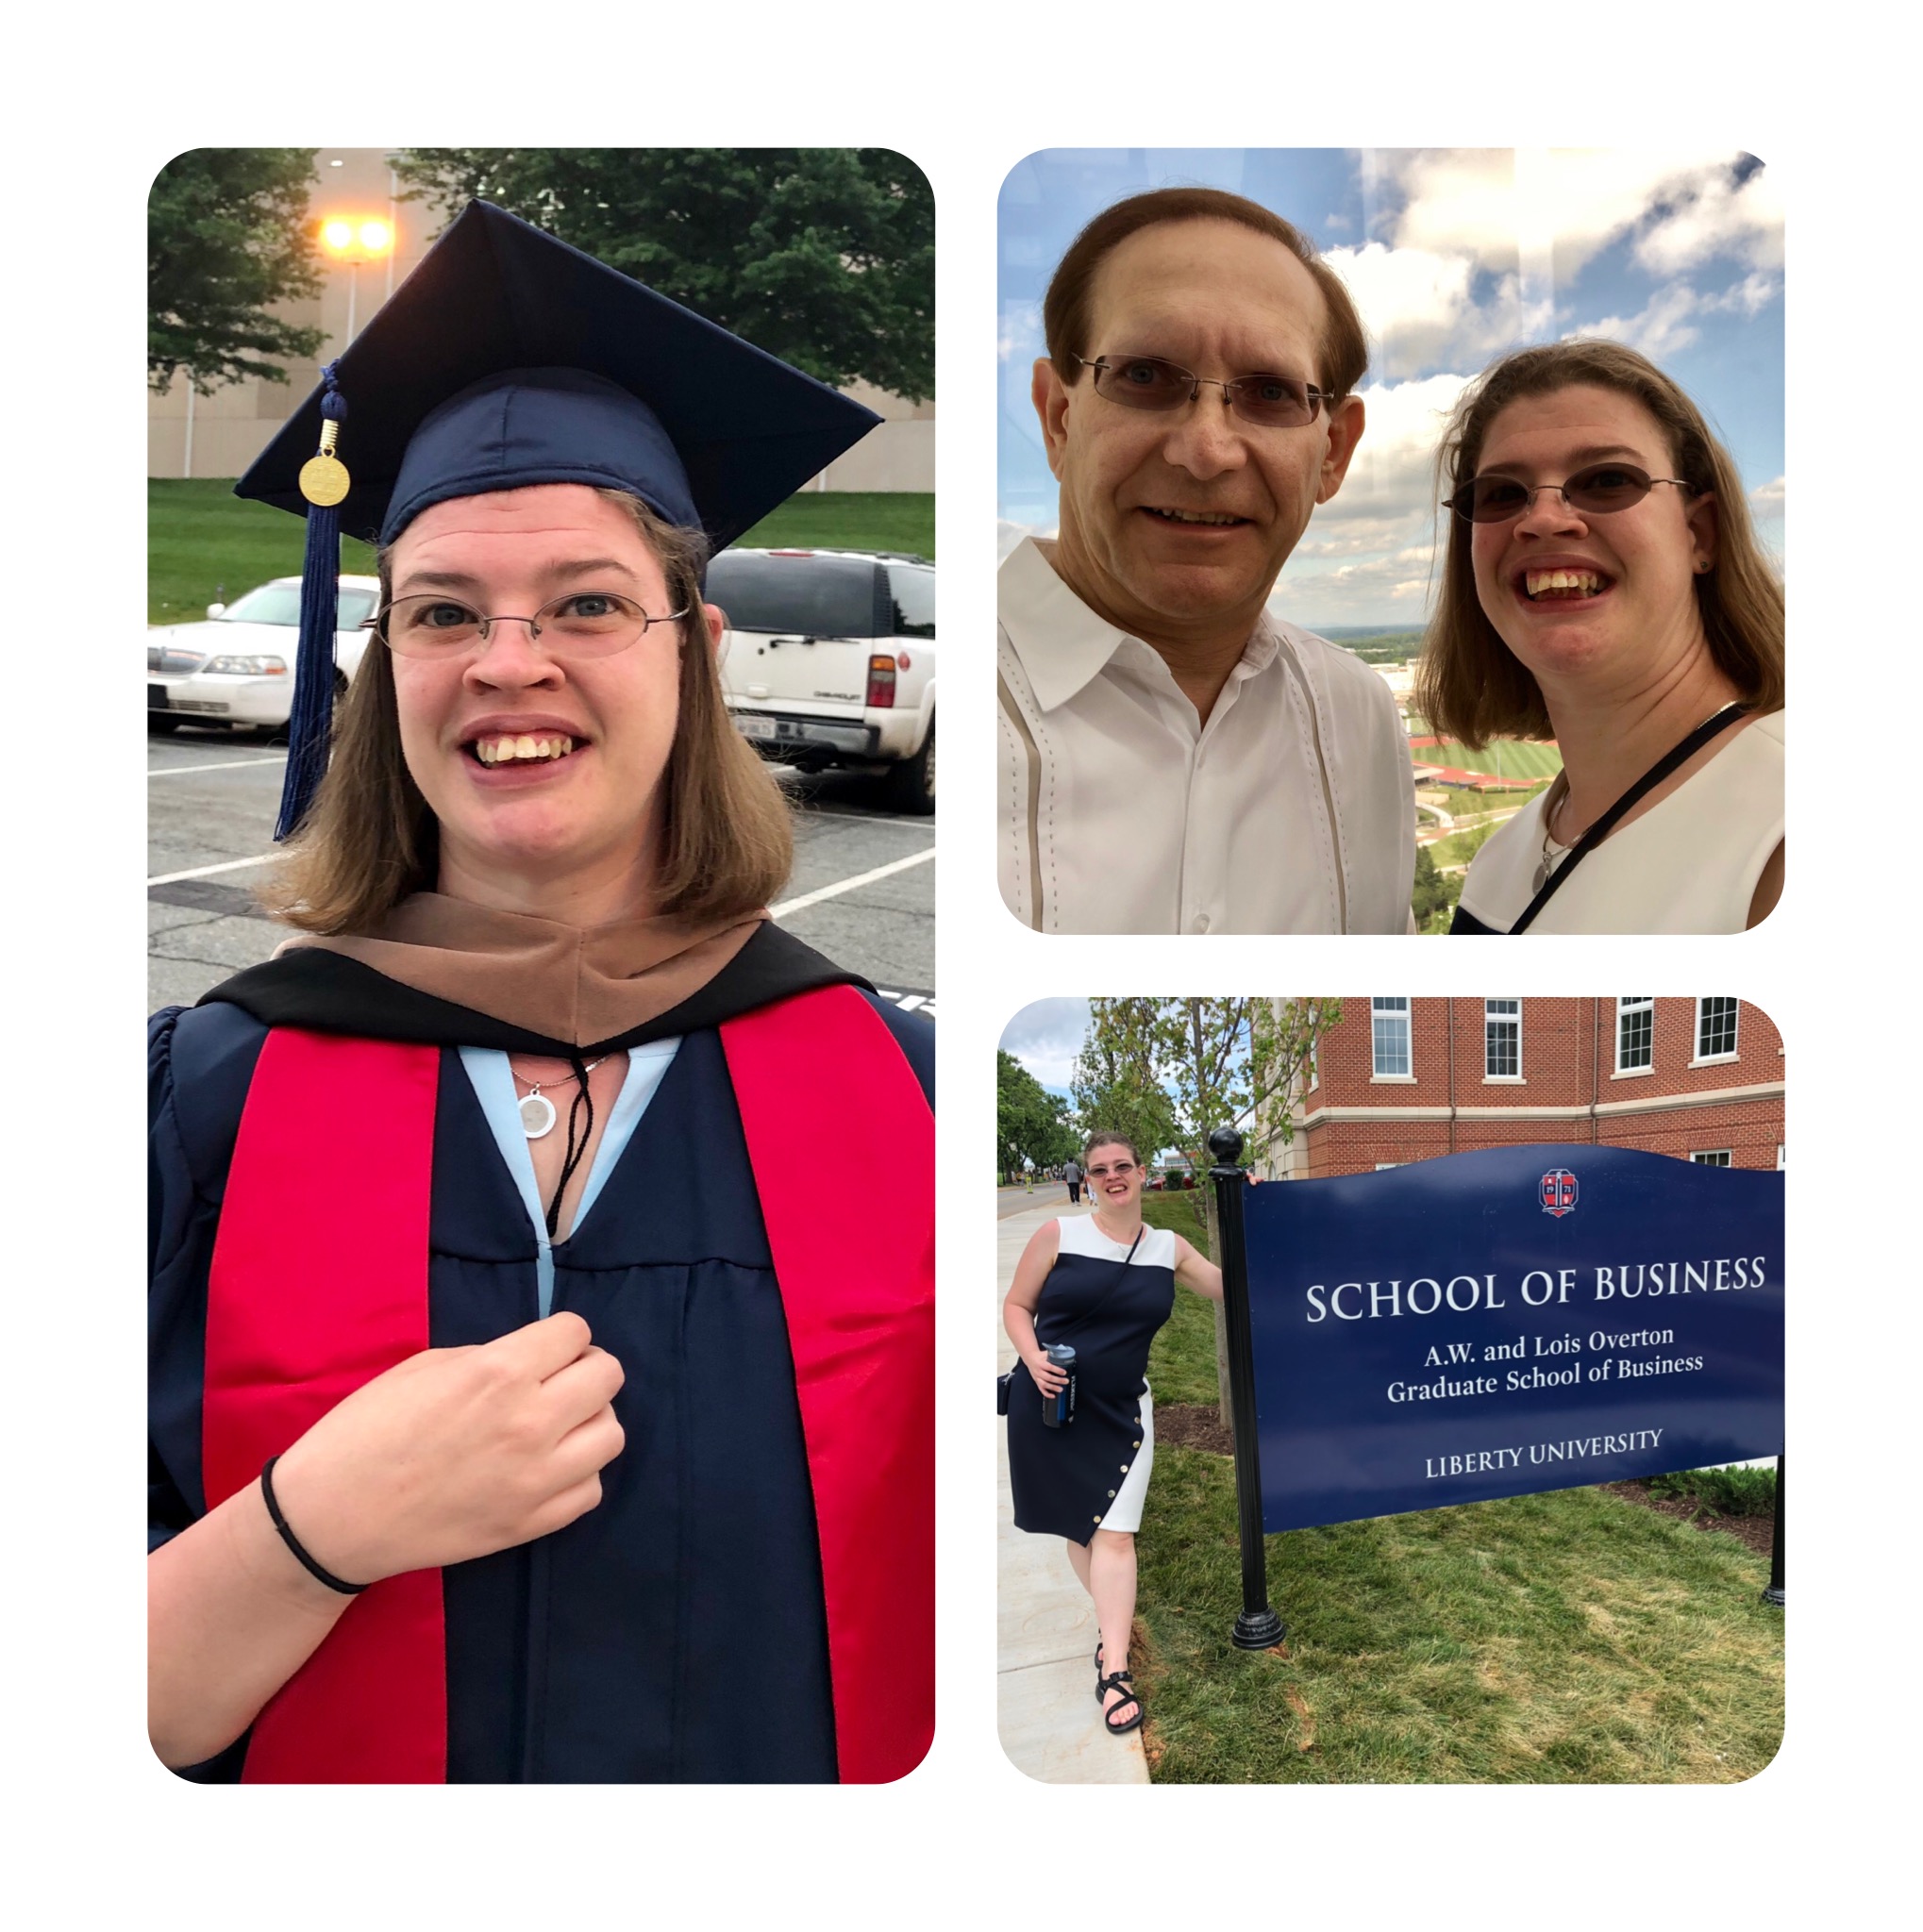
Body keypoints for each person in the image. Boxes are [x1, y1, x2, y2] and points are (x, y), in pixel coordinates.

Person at [148, 203, 935, 1785]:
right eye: (442, 610)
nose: (508, 660)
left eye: (585, 602)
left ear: (694, 651)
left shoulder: (893, 1091)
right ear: (384, 663)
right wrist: (311, 1530)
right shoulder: (199, 1097)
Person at [997, 186, 1416, 934]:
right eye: (1147, 377)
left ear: (1334, 453)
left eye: (1270, 392)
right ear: (1059, 418)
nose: (1206, 451)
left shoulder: (1363, 719)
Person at [1417, 340, 1783, 934]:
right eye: (1502, 494)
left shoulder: (1785, 833)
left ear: (1699, 534)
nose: (1543, 518)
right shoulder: (1501, 861)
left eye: (1607, 479)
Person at [1002, 1133, 1222, 1734]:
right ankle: (1114, 1632)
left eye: (1122, 1165)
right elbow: (1018, 1306)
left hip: (1124, 1410)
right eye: (1100, 1169)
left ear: (1143, 1173)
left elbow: (1228, 1285)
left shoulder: (1168, 1247)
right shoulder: (1059, 1236)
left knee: (1116, 1533)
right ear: (1089, 1179)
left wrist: (1244, 1200)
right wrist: (1031, 1357)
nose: (1112, 1176)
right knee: (1083, 1524)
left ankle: (1114, 1667)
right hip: (1054, 1403)